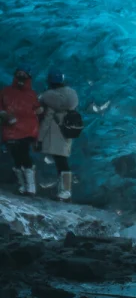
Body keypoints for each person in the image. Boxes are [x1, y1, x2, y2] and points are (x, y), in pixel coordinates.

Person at [37, 70, 81, 201]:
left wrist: (39, 139)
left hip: (55, 134)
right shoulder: (71, 96)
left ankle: (65, 192)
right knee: (62, 160)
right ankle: (65, 191)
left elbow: (46, 121)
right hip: (67, 131)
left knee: (60, 162)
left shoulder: (49, 98)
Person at [0, 68, 40, 196]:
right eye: (19, 75)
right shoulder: (6, 92)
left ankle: (30, 186)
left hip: (27, 130)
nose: (21, 78)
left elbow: (37, 109)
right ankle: (24, 185)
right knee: (16, 155)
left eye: (24, 76)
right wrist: (4, 114)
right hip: (11, 129)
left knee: (23, 154)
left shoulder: (31, 94)